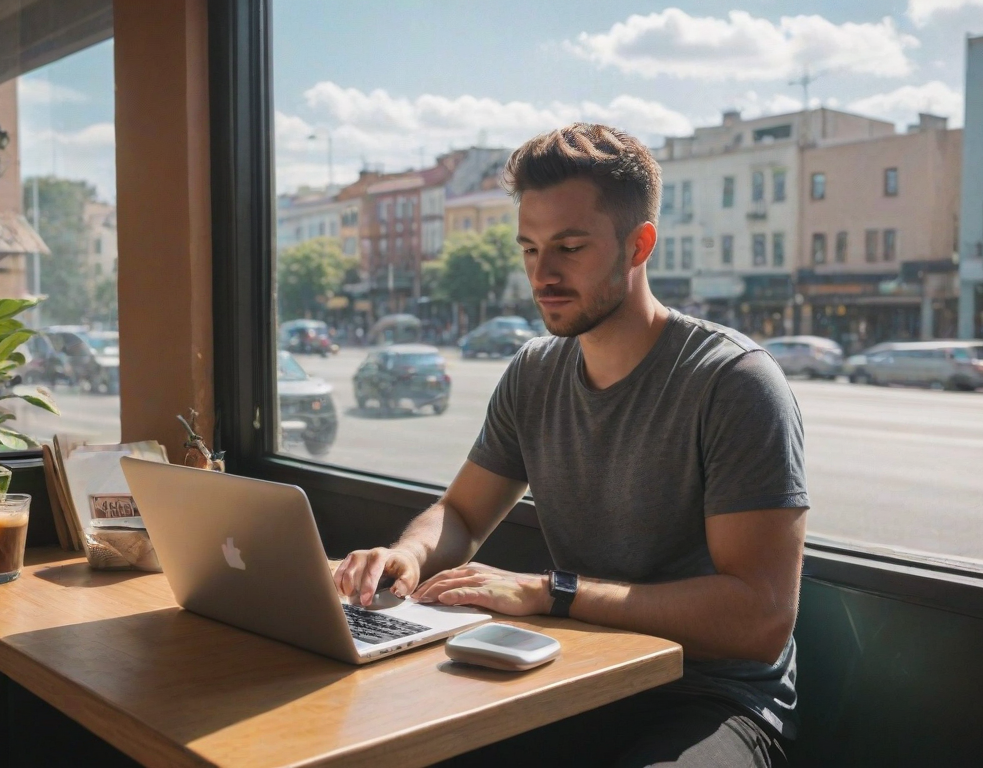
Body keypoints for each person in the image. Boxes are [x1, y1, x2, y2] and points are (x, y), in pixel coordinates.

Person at [334, 124, 808, 767]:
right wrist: (407, 555)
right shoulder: (535, 371)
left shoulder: (734, 382)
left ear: (639, 245)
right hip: (571, 679)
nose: (543, 275)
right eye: (529, 248)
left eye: (570, 247)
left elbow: (759, 618)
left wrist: (554, 591)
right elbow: (465, 513)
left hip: (711, 699)